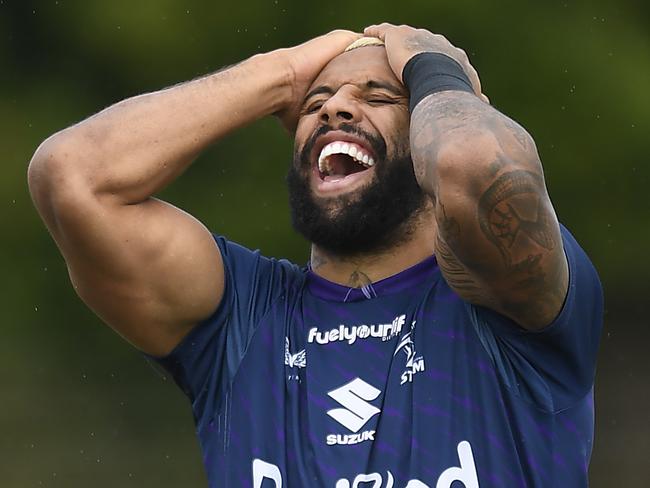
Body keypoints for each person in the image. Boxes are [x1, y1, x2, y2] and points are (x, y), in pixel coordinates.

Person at [28, 22, 603, 488]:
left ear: (431, 127)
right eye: (315, 105)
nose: (335, 111)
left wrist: (437, 70)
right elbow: (72, 176)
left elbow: (475, 167)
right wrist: (279, 74)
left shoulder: (506, 301)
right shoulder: (242, 318)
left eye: (378, 97)